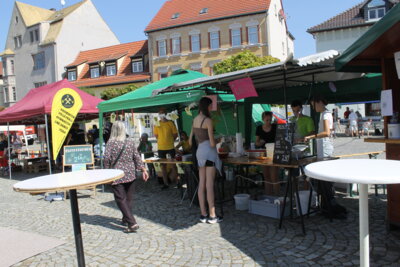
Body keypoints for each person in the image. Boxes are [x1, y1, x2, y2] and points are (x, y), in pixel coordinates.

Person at [304, 95, 347, 219]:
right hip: (323, 148)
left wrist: (311, 137)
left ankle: (329, 205)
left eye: (313, 104)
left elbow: (326, 132)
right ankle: (325, 205)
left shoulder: (325, 114)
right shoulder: (323, 114)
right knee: (322, 179)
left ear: (320, 102)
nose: (313, 107)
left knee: (325, 178)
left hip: (325, 148)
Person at [103, 121, 149, 233]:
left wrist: (107, 173)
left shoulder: (111, 143)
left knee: (120, 199)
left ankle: (132, 223)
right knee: (128, 199)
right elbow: (136, 157)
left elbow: (106, 159)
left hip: (117, 174)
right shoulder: (129, 142)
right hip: (130, 174)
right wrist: (143, 169)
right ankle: (126, 218)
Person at [189, 97, 222, 224]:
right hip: (209, 153)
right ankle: (212, 215)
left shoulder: (194, 120)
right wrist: (219, 140)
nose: (211, 109)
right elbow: (213, 144)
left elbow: (190, 140)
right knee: (209, 185)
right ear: (206, 106)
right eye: (210, 106)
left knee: (201, 184)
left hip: (199, 153)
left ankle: (203, 214)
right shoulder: (208, 120)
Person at [255, 111, 279, 195]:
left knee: (274, 177)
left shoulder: (275, 127)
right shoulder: (259, 128)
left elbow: (280, 139)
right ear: (263, 119)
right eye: (267, 120)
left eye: (270, 120)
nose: (269, 122)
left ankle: (276, 197)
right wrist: (260, 142)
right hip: (264, 154)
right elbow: (256, 143)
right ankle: (268, 196)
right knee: (266, 177)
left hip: (273, 153)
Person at [154, 108, 178, 189]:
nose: (161, 114)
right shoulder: (157, 124)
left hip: (170, 147)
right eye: (159, 113)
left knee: (173, 165)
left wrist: (170, 141)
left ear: (165, 113)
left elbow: (175, 134)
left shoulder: (170, 123)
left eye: (162, 113)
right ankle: (165, 183)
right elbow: (156, 135)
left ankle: (177, 182)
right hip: (161, 148)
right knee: (163, 166)